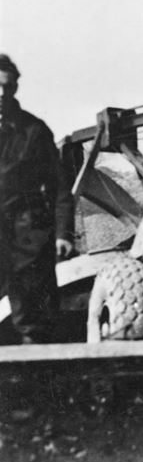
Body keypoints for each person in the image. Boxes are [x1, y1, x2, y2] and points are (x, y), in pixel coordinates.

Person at [0, 54, 74, 345]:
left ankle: (35, 376)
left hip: (26, 230)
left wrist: (63, 233)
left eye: (8, 87)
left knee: (33, 314)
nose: (2, 94)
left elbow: (60, 187)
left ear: (15, 88)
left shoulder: (36, 131)